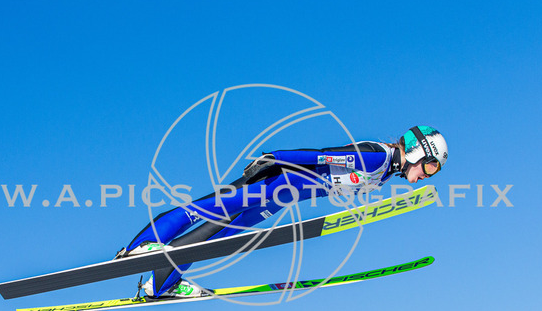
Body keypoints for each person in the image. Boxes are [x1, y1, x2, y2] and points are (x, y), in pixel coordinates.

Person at [115, 125, 448, 297]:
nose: (428, 175)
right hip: (280, 180)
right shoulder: (377, 157)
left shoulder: (386, 172)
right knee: (208, 207)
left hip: (284, 198)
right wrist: (275, 158)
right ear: (419, 151)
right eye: (431, 166)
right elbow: (322, 155)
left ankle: (162, 284)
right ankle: (139, 247)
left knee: (218, 236)